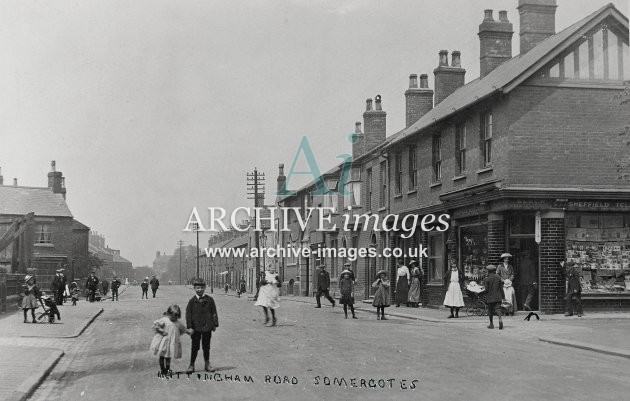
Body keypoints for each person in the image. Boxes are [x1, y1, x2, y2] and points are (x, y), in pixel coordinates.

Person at [186, 278, 219, 373]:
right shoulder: (192, 301)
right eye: (197, 288)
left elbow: (214, 312)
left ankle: (207, 364)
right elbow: (188, 314)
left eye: (201, 287)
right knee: (195, 346)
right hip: (196, 328)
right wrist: (190, 326)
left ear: (204, 288)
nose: (199, 290)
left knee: (206, 346)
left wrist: (214, 324)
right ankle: (191, 365)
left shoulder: (210, 300)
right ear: (194, 288)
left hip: (207, 327)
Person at [151, 304, 191, 375]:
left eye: (176, 316)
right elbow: (156, 325)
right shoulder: (164, 320)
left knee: (168, 357)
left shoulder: (177, 323)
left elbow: (183, 329)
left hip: (171, 343)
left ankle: (168, 369)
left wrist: (189, 332)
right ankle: (162, 369)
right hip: (164, 342)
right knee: (162, 356)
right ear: (169, 314)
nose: (174, 318)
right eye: (172, 316)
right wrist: (161, 331)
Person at [483, 265, 504, 329]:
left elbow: (486, 289)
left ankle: (491, 324)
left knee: (490, 310)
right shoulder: (498, 277)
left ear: (488, 271)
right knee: (498, 309)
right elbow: (501, 288)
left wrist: (482, 293)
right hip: (498, 297)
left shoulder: (486, 279)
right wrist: (503, 296)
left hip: (490, 297)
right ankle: (500, 319)